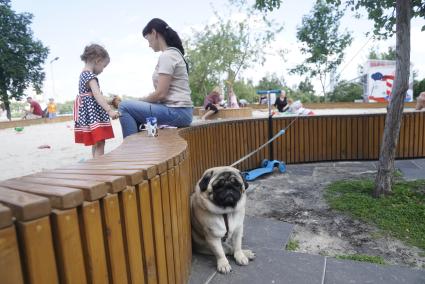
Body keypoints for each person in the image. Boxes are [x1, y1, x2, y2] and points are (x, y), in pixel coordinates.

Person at [118, 18, 193, 138]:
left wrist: (139, 100)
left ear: (154, 33)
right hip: (180, 111)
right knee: (132, 109)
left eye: (147, 39)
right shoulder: (174, 54)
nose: (148, 45)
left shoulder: (167, 56)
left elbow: (160, 94)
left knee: (124, 106)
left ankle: (131, 151)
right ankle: (142, 147)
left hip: (177, 112)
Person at [74, 43, 120, 158]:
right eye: (103, 66)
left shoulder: (82, 74)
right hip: (94, 116)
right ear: (97, 61)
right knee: (100, 142)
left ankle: (95, 164)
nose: (103, 70)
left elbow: (92, 97)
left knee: (96, 142)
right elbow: (97, 94)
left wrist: (109, 101)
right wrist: (109, 111)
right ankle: (99, 166)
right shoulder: (90, 76)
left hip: (88, 115)